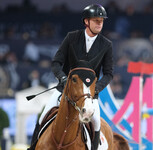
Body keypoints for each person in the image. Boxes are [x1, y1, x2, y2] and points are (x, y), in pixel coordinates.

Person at [29, 4, 113, 150]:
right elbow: (56, 63)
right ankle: (33, 147)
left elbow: (108, 74)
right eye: (96, 20)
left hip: (89, 95)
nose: (100, 23)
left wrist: (95, 89)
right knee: (43, 116)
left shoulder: (106, 45)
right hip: (65, 90)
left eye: (102, 20)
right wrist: (63, 78)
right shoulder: (72, 37)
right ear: (86, 21)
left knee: (96, 122)